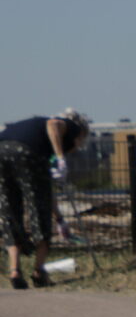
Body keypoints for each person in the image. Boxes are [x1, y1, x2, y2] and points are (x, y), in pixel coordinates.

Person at [0, 110, 89, 289]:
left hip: (1, 151)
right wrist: (61, 158)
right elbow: (53, 125)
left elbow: (46, 192)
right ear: (80, 135)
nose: (76, 148)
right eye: (78, 144)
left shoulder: (38, 136)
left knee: (10, 212)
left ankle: (15, 270)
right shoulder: (71, 127)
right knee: (39, 213)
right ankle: (39, 271)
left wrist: (60, 218)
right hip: (26, 153)